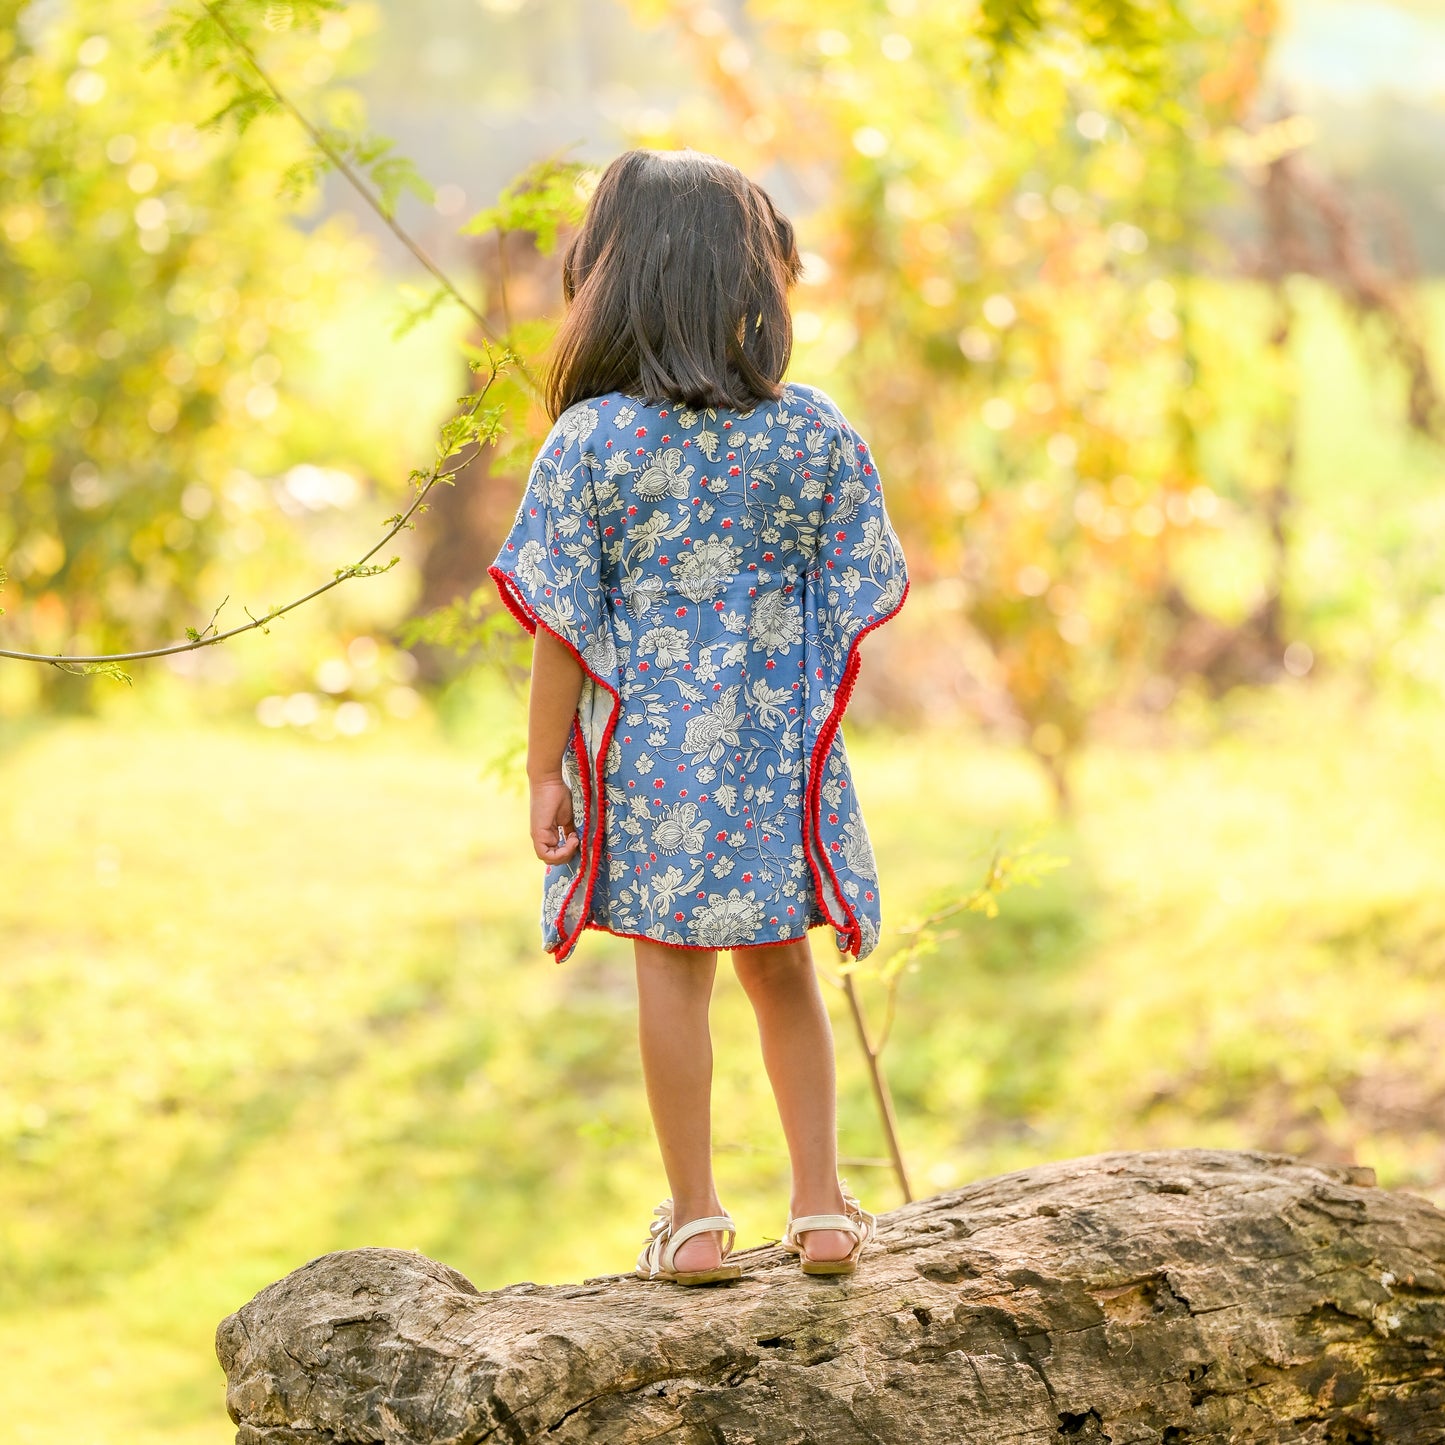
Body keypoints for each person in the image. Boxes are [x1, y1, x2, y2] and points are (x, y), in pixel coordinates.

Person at [488, 148, 909, 1283]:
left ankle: (694, 1218)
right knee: (782, 969)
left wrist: (544, 773)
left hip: (652, 761)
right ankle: (820, 1209)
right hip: (774, 757)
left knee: (671, 971)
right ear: (750, 282)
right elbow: (856, 585)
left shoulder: (590, 442)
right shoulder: (810, 433)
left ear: (616, 279)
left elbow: (562, 630)